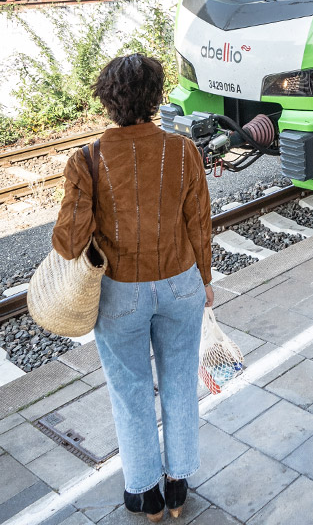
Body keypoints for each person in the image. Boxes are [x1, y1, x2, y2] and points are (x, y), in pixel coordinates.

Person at [52, 54, 213, 521]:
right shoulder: (184, 152)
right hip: (181, 283)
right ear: (156, 98)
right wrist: (205, 279)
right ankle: (179, 486)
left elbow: (68, 242)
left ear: (108, 101)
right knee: (180, 381)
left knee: (131, 389)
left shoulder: (86, 160)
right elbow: (199, 223)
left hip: (121, 292)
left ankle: (145, 495)